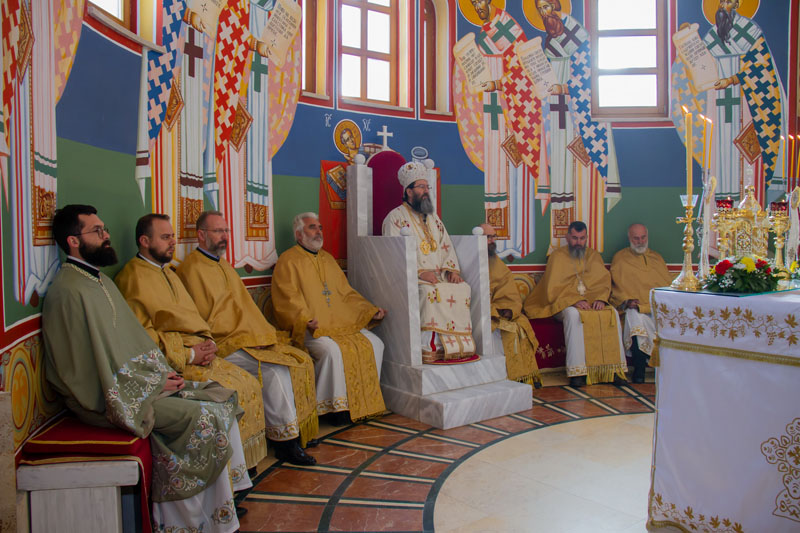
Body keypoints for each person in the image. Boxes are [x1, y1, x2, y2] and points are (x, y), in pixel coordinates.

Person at [42, 205, 249, 532]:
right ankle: (186, 523)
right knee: (201, 417)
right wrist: (152, 386)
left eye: (105, 228)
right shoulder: (69, 291)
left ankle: (219, 510)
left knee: (218, 397)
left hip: (135, 386)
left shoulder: (99, 281)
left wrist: (160, 376)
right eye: (97, 231)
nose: (107, 235)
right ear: (73, 241)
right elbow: (82, 369)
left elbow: (131, 345)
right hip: (107, 400)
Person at [115, 213, 268, 470]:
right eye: (165, 237)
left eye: (173, 236)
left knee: (248, 382)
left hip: (198, 352)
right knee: (230, 391)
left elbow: (194, 317)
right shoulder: (132, 278)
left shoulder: (169, 273)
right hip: (173, 363)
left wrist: (208, 342)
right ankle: (227, 473)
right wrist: (190, 355)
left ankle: (242, 468)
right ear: (144, 241)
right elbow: (143, 336)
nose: (172, 242)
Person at [176, 211, 319, 465]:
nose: (224, 236)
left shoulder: (224, 266)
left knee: (293, 363)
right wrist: (247, 337)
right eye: (218, 231)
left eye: (226, 231)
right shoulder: (191, 269)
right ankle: (286, 442)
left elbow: (245, 309)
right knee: (273, 371)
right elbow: (203, 318)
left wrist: (259, 334)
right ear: (201, 235)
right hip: (224, 343)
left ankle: (291, 431)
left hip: (247, 338)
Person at [270, 212, 387, 425]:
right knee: (332, 351)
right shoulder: (288, 260)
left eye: (320, 227)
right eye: (312, 227)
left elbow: (346, 294)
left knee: (375, 343)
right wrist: (304, 319)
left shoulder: (328, 259)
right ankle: (332, 408)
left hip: (339, 323)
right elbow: (287, 298)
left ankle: (365, 402)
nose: (318, 232)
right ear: (299, 234)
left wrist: (369, 310)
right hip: (310, 329)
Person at [453, 0, 541, 258]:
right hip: (490, 120)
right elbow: (470, 78)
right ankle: (498, 241)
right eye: (473, 3)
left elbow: (523, 74)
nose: (478, 6)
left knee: (517, 174)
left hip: (512, 118)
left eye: (480, 1)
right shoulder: (480, 38)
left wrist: (498, 85)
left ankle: (519, 239)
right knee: (495, 177)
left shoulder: (509, 29)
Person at [671, 0, 787, 196]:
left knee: (748, 155)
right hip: (716, 107)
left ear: (737, 4)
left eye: (729, 1)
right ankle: (716, 206)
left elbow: (760, 69)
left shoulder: (751, 32)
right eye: (722, 1)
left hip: (747, 106)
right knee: (717, 152)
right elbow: (696, 67)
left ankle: (750, 204)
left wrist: (731, 80)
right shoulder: (712, 35)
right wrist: (687, 41)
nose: (724, 5)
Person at [535, 0, 621, 253]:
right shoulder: (547, 44)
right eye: (540, 9)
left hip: (581, 123)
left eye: (548, 6)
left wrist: (564, 88)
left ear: (557, 6)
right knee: (559, 174)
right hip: (555, 119)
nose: (545, 13)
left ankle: (590, 242)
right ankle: (558, 241)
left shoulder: (580, 40)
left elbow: (590, 81)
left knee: (583, 176)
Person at [382, 161, 478, 363]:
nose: (426, 191)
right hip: (412, 278)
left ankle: (458, 346)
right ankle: (430, 347)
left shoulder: (433, 218)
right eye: (421, 187)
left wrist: (451, 270)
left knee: (463, 288)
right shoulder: (395, 218)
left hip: (439, 275)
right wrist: (419, 273)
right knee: (428, 293)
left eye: (427, 187)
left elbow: (446, 245)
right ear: (409, 191)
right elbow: (392, 256)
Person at [523, 221, 627, 387]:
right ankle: (577, 373)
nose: (578, 242)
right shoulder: (557, 256)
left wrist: (600, 298)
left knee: (611, 313)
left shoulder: (593, 256)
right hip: (563, 304)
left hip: (591, 302)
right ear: (567, 237)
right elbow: (553, 288)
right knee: (574, 315)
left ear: (586, 237)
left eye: (582, 238)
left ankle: (614, 370)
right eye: (575, 238)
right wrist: (574, 300)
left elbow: (603, 282)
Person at [481, 223, 542, 388]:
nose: (492, 240)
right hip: (482, 311)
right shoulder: (468, 259)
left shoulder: (497, 263)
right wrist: (492, 310)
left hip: (499, 309)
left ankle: (523, 376)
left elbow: (509, 292)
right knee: (498, 330)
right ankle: (502, 377)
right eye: (488, 237)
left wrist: (508, 309)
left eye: (494, 236)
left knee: (520, 326)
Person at [610, 224, 673, 383]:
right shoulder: (620, 258)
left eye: (643, 237)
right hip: (635, 309)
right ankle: (639, 370)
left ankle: (666, 370)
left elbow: (667, 286)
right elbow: (617, 287)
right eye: (636, 238)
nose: (640, 241)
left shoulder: (657, 258)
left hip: (656, 309)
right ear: (629, 238)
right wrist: (627, 301)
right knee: (634, 318)